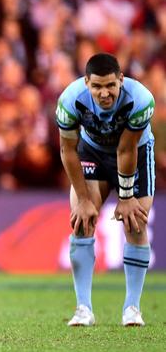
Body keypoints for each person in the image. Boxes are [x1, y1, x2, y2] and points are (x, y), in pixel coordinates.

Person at [55, 53, 154, 327]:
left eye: (110, 85)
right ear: (86, 83)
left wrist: (126, 197)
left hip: (135, 152)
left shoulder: (141, 100)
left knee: (135, 222)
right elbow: (67, 150)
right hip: (92, 153)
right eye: (97, 86)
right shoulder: (70, 101)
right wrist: (84, 199)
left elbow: (126, 149)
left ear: (121, 80)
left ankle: (132, 308)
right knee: (82, 220)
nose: (104, 93)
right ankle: (83, 308)